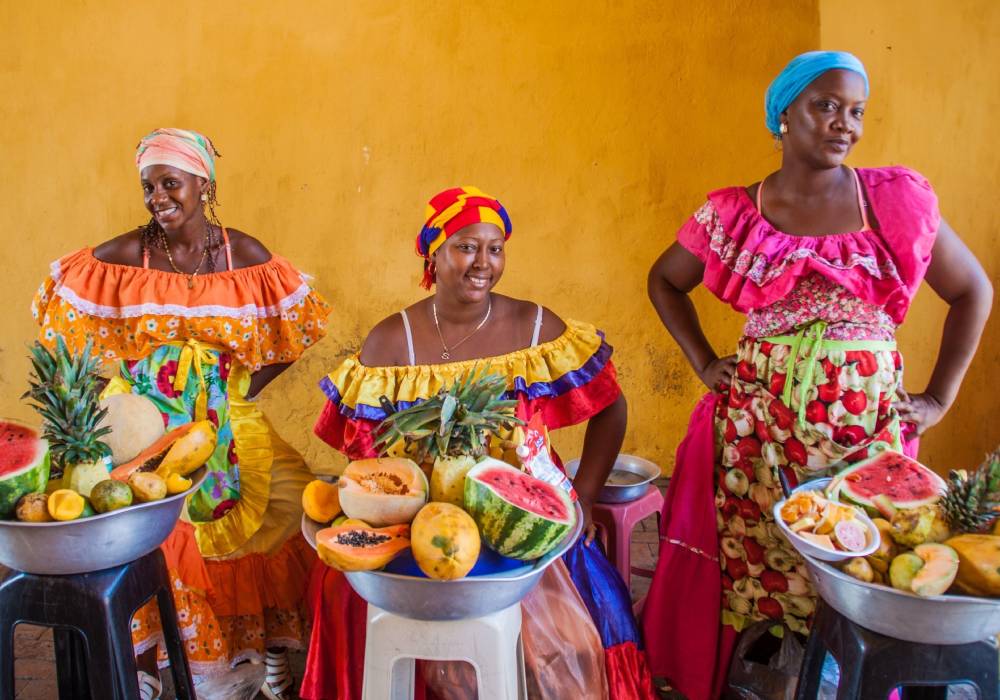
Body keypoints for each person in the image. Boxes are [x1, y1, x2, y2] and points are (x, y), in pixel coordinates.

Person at [642, 52, 993, 700]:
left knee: (860, 562)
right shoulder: (733, 215)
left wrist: (940, 397)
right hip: (755, 435)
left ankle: (845, 675)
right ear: (784, 114)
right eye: (825, 106)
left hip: (864, 441)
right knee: (760, 571)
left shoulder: (893, 202)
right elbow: (665, 280)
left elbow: (974, 289)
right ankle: (769, 674)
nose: (844, 124)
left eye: (855, 110)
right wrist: (703, 361)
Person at [302, 186, 656, 700]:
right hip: (425, 523)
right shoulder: (389, 342)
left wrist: (581, 495)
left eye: (495, 248)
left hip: (528, 520)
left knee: (575, 640)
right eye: (466, 247)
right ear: (433, 253)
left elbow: (611, 406)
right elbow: (368, 460)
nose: (482, 263)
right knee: (340, 593)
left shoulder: (536, 327)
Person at [31, 128, 331, 700]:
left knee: (285, 515)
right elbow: (62, 315)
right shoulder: (127, 256)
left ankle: (266, 656)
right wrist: (116, 389)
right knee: (162, 546)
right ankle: (155, 669)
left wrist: (240, 388)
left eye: (171, 183)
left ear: (203, 184)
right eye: (149, 186)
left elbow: (297, 331)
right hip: (145, 429)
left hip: (226, 420)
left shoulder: (243, 255)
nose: (158, 197)